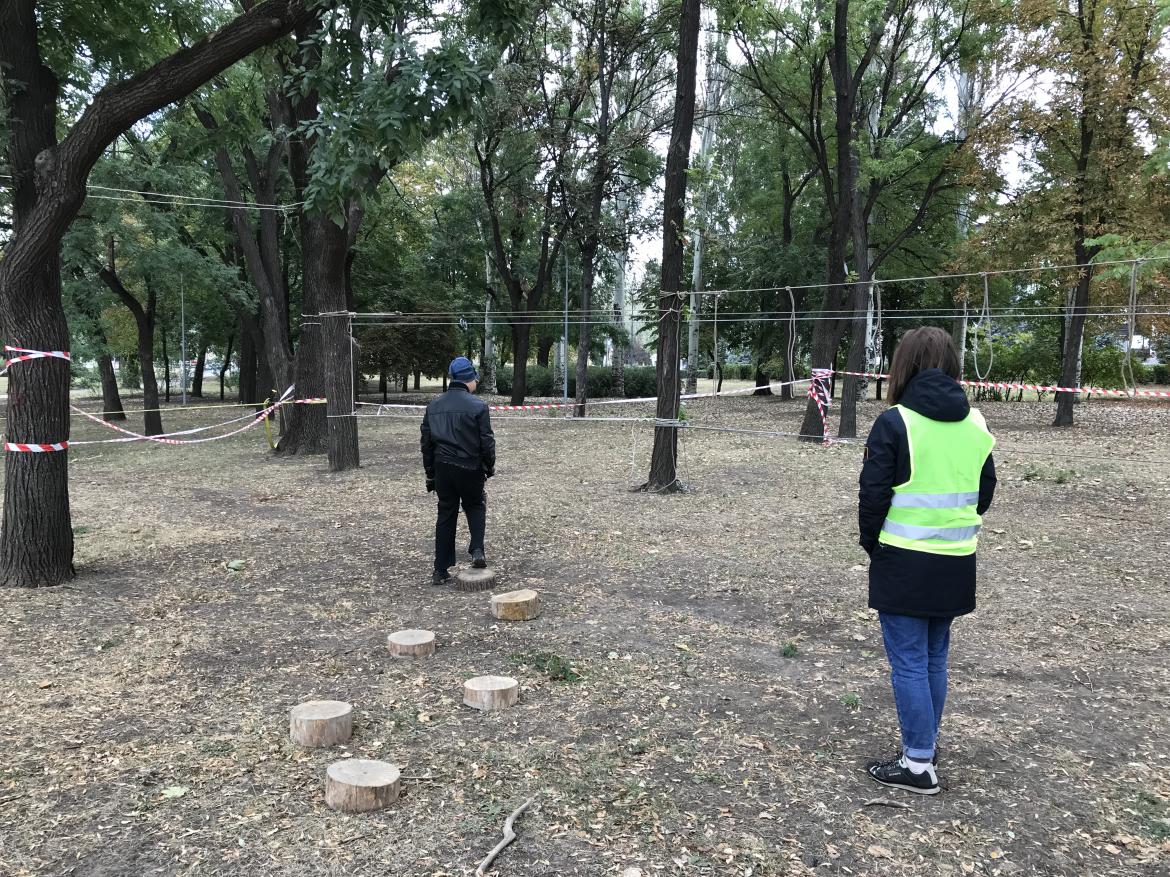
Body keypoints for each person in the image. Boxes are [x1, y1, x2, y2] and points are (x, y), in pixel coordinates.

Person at [858, 327, 997, 795]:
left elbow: (872, 495)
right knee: (934, 658)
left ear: (903, 366)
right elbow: (984, 493)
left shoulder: (894, 422)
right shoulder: (976, 423)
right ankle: (924, 748)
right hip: (956, 559)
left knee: (911, 664)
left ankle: (918, 764)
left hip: (903, 559)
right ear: (952, 364)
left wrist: (873, 545)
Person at [421, 356, 496, 586]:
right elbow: (487, 441)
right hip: (470, 466)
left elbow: (426, 444)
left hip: (443, 467)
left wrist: (431, 473)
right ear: (469, 379)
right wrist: (489, 466)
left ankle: (440, 569)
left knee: (446, 513)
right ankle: (477, 549)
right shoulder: (478, 406)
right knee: (475, 504)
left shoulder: (433, 406)